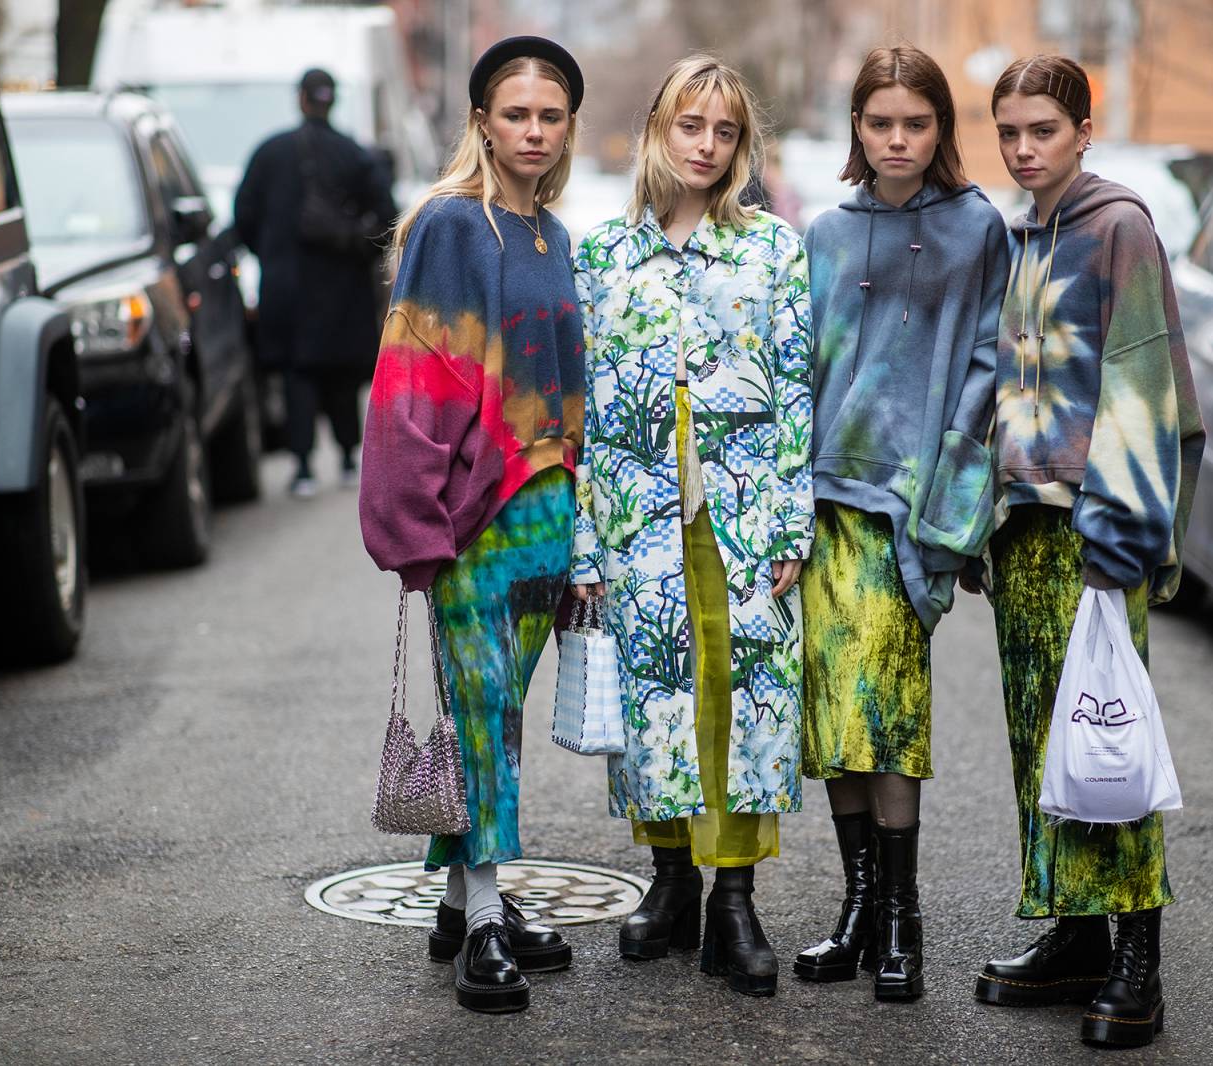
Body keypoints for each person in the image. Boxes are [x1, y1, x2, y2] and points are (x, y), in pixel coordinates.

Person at [971, 55, 1204, 1048]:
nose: (1024, 150)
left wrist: (1121, 542)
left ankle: (1137, 952)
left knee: (1109, 734)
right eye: (1010, 132)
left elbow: (1145, 394)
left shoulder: (1118, 230)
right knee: (1046, 740)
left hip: (1093, 532)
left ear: (1082, 131)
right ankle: (1072, 932)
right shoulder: (1023, 232)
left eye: (1043, 131)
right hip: (1024, 527)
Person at [569, 54, 813, 999]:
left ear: (742, 144)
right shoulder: (605, 257)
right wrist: (588, 545)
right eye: (689, 126)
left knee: (743, 694)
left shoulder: (771, 251)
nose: (706, 146)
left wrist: (791, 522)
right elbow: (584, 411)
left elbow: (797, 392)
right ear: (658, 132)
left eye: (724, 131)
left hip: (746, 517)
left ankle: (736, 898)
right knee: (656, 697)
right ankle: (669, 880)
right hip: (638, 520)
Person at [357, 36, 587, 1015]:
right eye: (514, 114)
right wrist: (413, 522)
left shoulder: (552, 234)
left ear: (568, 126)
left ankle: (463, 894)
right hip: (472, 514)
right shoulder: (456, 227)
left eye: (549, 115)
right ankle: (488, 917)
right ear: (482, 122)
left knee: (494, 716)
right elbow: (416, 376)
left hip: (547, 510)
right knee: (483, 705)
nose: (532, 130)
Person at [794, 45, 1008, 1004]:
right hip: (825, 505)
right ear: (856, 128)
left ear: (941, 130)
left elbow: (990, 367)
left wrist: (950, 507)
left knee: (892, 719)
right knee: (837, 720)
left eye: (915, 123)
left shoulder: (976, 231)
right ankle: (856, 907)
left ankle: (901, 917)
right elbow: (796, 369)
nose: (895, 140)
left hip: (907, 511)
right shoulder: (826, 234)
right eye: (878, 122)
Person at [234, 68, 395, 497]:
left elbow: (243, 216)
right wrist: (354, 243)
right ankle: (346, 456)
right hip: (342, 287)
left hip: (286, 287)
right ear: (333, 100)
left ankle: (303, 465)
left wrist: (269, 254)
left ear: (301, 99)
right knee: (341, 373)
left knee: (296, 374)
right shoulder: (356, 156)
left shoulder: (269, 154)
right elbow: (387, 218)